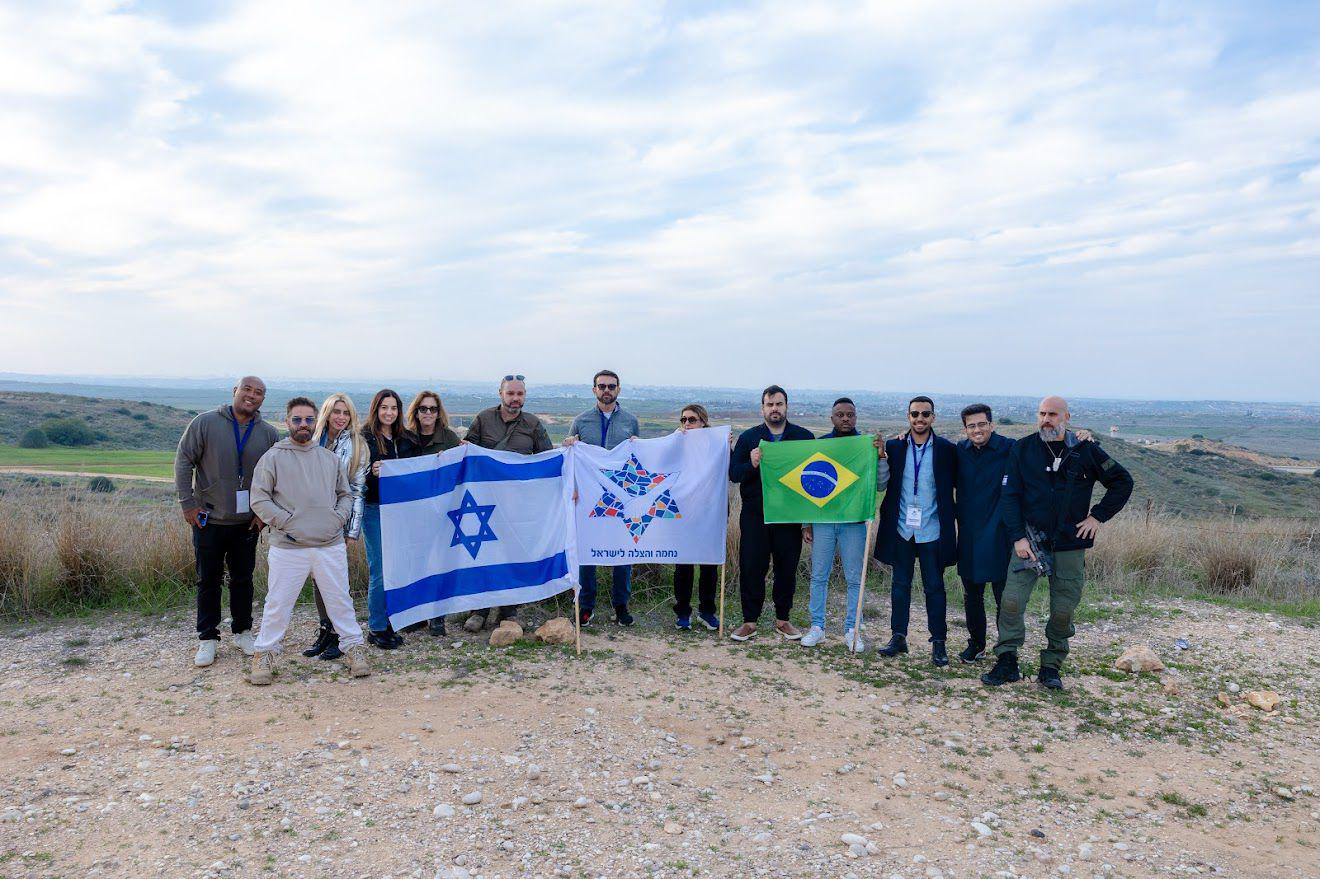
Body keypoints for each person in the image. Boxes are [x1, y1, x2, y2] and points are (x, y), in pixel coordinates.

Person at [983, 396, 1133, 690]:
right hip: (1028, 542)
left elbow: (1122, 482)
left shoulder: (1085, 449)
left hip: (1070, 544)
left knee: (1063, 608)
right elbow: (1010, 496)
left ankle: (1051, 665)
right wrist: (1017, 537)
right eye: (1042, 413)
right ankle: (1007, 660)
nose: (1046, 419)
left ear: (1066, 416)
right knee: (1011, 602)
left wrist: (1097, 517)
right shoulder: (1022, 448)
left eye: (1053, 414)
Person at [954, 405, 1093, 664]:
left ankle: (1004, 651)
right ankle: (976, 644)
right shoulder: (958, 452)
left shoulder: (1011, 447)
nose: (977, 430)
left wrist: (1080, 436)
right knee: (971, 593)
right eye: (971, 426)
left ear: (991, 425)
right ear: (965, 430)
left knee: (1004, 597)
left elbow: (1048, 439)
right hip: (970, 534)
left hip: (1002, 534)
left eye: (982, 424)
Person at [247, 397, 369, 684]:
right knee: (278, 603)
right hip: (290, 546)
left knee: (340, 601)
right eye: (297, 419)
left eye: (308, 420)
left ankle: (354, 649)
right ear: (287, 421)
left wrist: (337, 520)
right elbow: (259, 498)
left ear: (316, 422)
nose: (303, 425)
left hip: (329, 544)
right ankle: (264, 655)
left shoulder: (328, 459)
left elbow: (345, 495)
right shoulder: (273, 457)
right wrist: (288, 522)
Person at [174, 375, 280, 668]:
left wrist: (263, 513)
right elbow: (184, 460)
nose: (252, 395)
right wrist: (188, 504)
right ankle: (207, 638)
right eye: (247, 389)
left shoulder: (269, 433)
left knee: (243, 579)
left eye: (259, 392)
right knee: (207, 580)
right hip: (209, 518)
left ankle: (243, 632)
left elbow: (275, 475)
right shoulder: (205, 423)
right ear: (235, 391)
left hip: (247, 522)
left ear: (263, 399)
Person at [462, 375, 553, 631]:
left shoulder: (533, 424)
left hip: (518, 505)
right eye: (510, 393)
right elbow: (467, 452)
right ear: (500, 393)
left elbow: (547, 459)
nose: (515, 399)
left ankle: (509, 610)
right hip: (485, 502)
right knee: (484, 554)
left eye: (520, 394)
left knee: (513, 553)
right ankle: (479, 609)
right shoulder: (483, 419)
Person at [874, 396, 957, 666]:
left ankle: (939, 643)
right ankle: (898, 637)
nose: (919, 419)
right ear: (907, 417)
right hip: (902, 529)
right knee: (900, 586)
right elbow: (882, 483)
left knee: (935, 588)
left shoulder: (946, 449)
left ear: (933, 417)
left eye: (925, 414)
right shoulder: (896, 447)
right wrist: (881, 456)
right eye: (914, 414)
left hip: (932, 529)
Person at [800, 398, 889, 652]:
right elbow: (809, 488)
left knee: (855, 578)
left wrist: (881, 457)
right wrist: (807, 522)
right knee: (819, 575)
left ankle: (853, 630)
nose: (846, 418)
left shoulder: (867, 446)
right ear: (832, 419)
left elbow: (880, 485)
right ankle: (817, 627)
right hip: (824, 522)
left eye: (850, 414)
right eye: (840, 414)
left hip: (853, 523)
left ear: (856, 417)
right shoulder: (821, 445)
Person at [728, 385, 814, 642]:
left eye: (779, 404)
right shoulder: (749, 438)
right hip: (755, 515)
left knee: (786, 568)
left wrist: (807, 521)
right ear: (762, 408)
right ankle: (749, 622)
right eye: (770, 404)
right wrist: (752, 464)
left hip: (789, 515)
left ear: (786, 406)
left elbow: (811, 480)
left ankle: (782, 620)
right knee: (752, 567)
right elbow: (734, 474)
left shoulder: (803, 437)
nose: (774, 409)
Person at [564, 370, 641, 627]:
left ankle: (621, 605)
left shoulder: (630, 421)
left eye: (611, 386)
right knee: (587, 550)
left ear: (618, 389)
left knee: (624, 550)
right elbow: (572, 458)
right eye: (601, 386)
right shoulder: (581, 421)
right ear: (594, 389)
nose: (606, 390)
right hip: (588, 495)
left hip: (620, 495)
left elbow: (637, 459)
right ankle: (586, 605)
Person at [300, 393, 369, 661]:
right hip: (309, 520)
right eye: (336, 412)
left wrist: (352, 531)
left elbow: (358, 490)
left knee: (335, 580)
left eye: (346, 413)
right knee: (317, 577)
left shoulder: (357, 445)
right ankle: (325, 630)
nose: (340, 417)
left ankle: (341, 636)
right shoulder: (311, 440)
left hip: (338, 521)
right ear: (326, 413)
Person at [403, 389, 462, 636]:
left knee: (438, 563)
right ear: (415, 411)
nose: (428, 413)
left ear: (439, 413)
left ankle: (438, 616)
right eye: (423, 409)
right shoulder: (405, 438)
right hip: (412, 512)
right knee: (414, 563)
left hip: (441, 513)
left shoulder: (448, 438)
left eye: (433, 409)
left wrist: (462, 451)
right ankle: (416, 613)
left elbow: (461, 470)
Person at [361, 389, 415, 650]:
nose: (389, 412)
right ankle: (376, 627)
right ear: (376, 409)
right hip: (374, 508)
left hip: (401, 511)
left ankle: (393, 620)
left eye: (393, 408)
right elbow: (354, 475)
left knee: (398, 566)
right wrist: (371, 472)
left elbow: (418, 469)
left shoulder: (406, 440)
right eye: (384, 407)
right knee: (380, 568)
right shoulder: (364, 438)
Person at [671, 404, 721, 632]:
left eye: (691, 420)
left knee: (709, 565)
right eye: (683, 420)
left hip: (710, 512)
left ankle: (707, 612)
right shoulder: (676, 443)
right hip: (682, 512)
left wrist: (727, 446)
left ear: (703, 421)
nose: (687, 425)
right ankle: (683, 613)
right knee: (684, 565)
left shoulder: (716, 444)